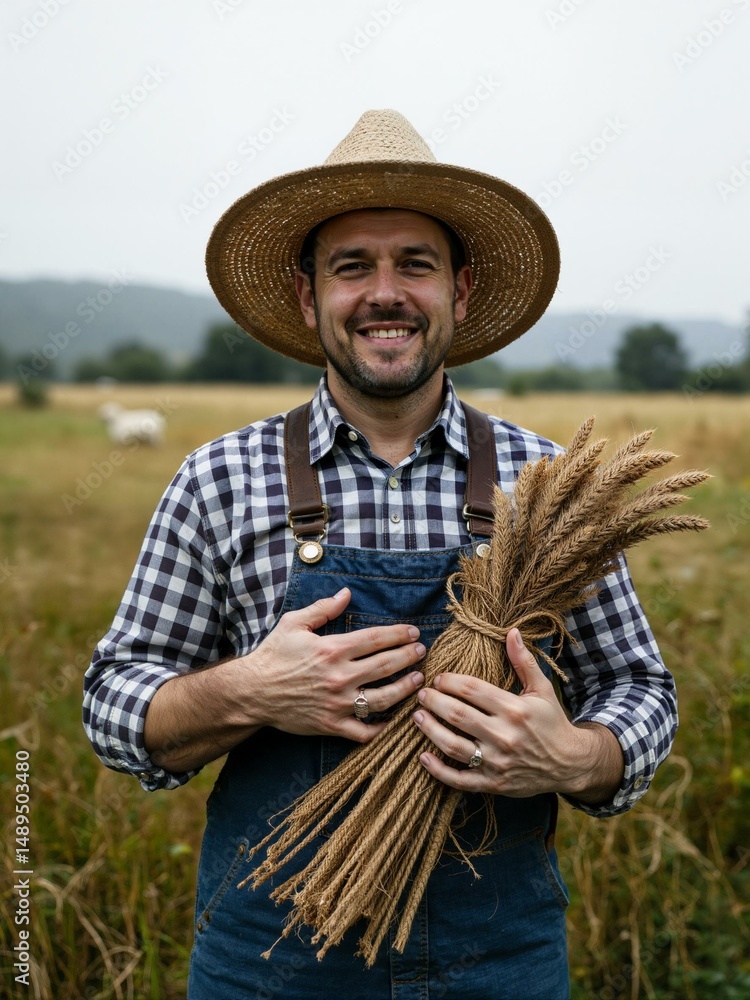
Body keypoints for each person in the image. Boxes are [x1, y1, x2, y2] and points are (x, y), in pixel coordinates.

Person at [83, 109, 677, 999]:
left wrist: (576, 758)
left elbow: (643, 691)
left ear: (461, 293)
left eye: (417, 265)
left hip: (499, 968)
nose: (385, 293)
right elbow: (112, 705)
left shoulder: (551, 483)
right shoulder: (217, 479)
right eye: (352, 266)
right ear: (307, 296)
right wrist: (247, 690)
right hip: (269, 965)